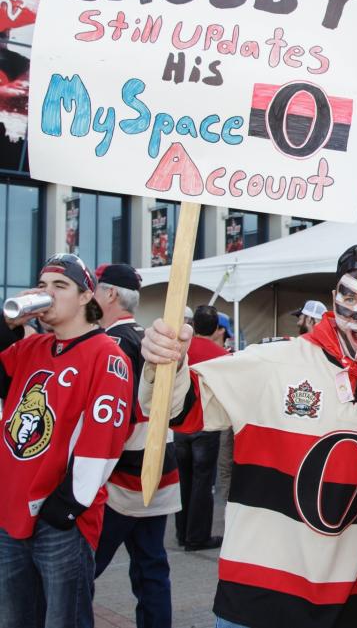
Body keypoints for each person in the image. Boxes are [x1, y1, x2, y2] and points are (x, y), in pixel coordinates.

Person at [140, 244, 357, 628]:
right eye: (349, 297)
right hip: (259, 603)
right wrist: (164, 363)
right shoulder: (273, 363)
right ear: (332, 298)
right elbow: (178, 408)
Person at [0, 253, 132, 628]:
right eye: (42, 286)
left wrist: (67, 509)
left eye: (60, 286)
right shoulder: (31, 348)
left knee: (64, 620)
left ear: (85, 297)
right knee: (13, 619)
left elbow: (104, 441)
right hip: (10, 513)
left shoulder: (107, 355)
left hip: (59, 519)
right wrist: (8, 324)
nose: (47, 293)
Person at [92, 263, 179, 628]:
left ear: (110, 294)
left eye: (95, 290)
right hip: (158, 469)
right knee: (152, 568)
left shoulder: (111, 343)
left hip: (121, 475)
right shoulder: (148, 339)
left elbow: (110, 420)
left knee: (81, 567)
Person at [173, 305, 228, 552]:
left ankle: (182, 532)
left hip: (180, 423)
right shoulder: (222, 355)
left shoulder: (183, 349)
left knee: (184, 480)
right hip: (206, 423)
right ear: (217, 328)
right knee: (203, 483)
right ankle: (197, 536)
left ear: (193, 325)